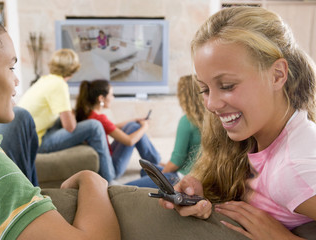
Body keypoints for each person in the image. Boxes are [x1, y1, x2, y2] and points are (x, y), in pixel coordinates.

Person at [0, 8, 120, 240]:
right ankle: (110, 176)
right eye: (11, 67)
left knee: (21, 115)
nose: (16, 80)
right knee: (93, 127)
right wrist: (92, 179)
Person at [158, 6, 316, 239]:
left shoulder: (293, 170)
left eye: (227, 86)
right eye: (204, 89)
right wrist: (204, 193)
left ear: (277, 75)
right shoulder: (260, 136)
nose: (211, 104)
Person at [17, 49, 116, 182]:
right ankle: (109, 180)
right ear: (73, 68)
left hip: (31, 136)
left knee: (64, 120)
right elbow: (69, 127)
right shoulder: (59, 85)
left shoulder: (45, 80)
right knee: (94, 126)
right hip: (38, 142)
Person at [126, 75, 205, 187]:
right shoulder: (210, 118)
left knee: (124, 188)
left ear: (183, 96)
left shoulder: (187, 121)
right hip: (196, 173)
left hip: (182, 178)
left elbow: (177, 161)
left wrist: (162, 175)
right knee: (145, 171)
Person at [75, 79, 161, 179]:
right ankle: (156, 162)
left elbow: (112, 127)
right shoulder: (99, 119)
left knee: (132, 125)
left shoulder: (90, 115)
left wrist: (133, 120)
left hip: (106, 159)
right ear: (101, 98)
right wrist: (145, 126)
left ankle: (155, 161)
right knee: (134, 128)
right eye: (111, 95)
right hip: (112, 168)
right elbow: (129, 141)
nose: (113, 97)